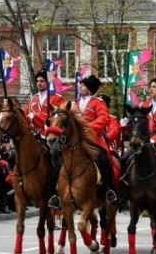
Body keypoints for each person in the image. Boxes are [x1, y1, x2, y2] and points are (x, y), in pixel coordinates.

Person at [70, 75, 118, 204]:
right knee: (59, 158)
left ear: (90, 89)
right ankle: (55, 191)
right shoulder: (74, 103)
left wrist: (87, 127)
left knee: (103, 158)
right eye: (80, 85)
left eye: (83, 85)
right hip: (75, 140)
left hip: (93, 139)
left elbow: (103, 119)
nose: (80, 87)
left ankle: (108, 189)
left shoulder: (98, 102)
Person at [23, 69, 65, 209]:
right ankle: (20, 185)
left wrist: (35, 116)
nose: (39, 83)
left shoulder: (56, 98)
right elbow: (24, 116)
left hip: (50, 137)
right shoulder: (32, 99)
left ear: (47, 83)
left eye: (42, 81)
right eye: (37, 81)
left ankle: (55, 191)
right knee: (16, 155)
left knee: (56, 158)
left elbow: (56, 117)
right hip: (34, 137)